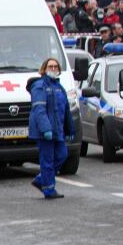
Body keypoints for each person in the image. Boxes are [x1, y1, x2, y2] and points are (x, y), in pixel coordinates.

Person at [27, 58, 75, 199]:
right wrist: (45, 129)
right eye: (50, 66)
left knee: (62, 155)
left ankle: (42, 179)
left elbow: (66, 111)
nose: (53, 69)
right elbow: (39, 109)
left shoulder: (59, 88)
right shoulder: (39, 86)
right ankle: (48, 189)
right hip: (45, 132)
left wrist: (70, 129)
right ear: (44, 68)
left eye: (55, 67)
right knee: (47, 160)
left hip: (58, 130)